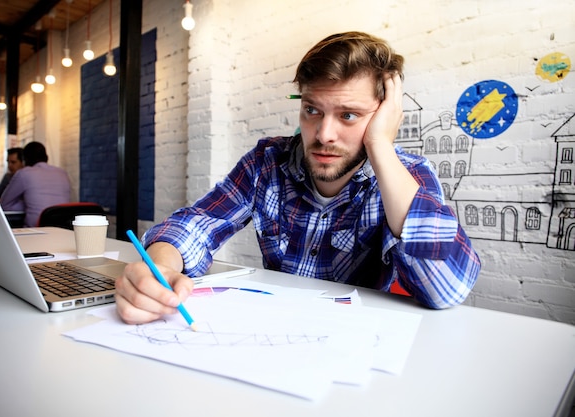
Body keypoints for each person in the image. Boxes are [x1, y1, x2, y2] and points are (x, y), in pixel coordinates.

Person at [115, 31, 481, 324]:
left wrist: (380, 147)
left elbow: (446, 289)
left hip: (356, 342)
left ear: (385, 114)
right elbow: (197, 223)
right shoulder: (267, 161)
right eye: (312, 110)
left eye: (349, 115)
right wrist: (160, 269)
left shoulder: (408, 175)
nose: (323, 134)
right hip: (274, 332)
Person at [0, 141, 71, 227]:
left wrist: (29, 205)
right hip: (62, 229)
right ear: (46, 157)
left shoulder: (24, 173)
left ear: (24, 160)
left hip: (36, 231)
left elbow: (4, 204)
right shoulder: (62, 173)